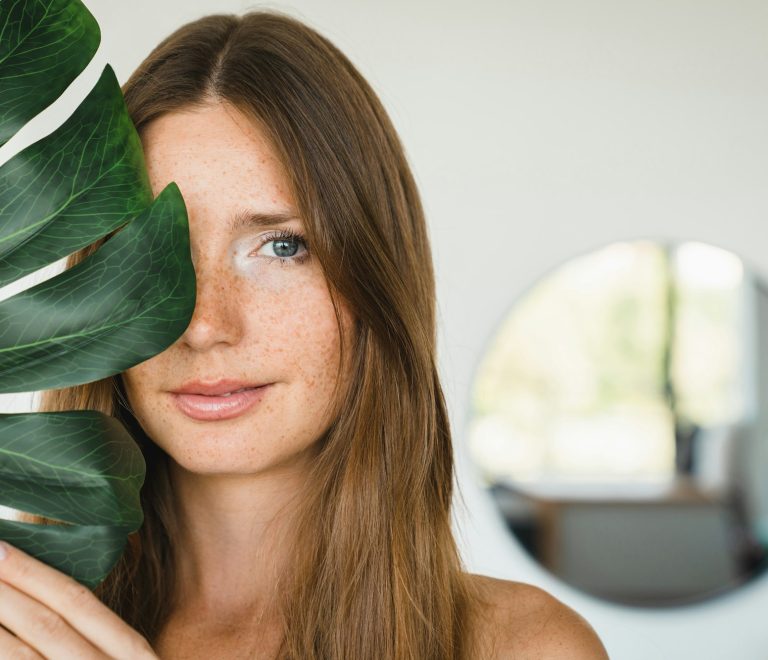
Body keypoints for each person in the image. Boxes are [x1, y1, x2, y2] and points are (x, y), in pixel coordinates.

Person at [3, 9, 609, 659]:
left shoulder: (522, 647)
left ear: (375, 278)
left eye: (282, 247)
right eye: (155, 247)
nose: (205, 325)